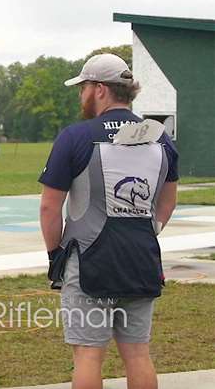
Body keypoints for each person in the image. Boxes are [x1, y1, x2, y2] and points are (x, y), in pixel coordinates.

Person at [40, 54, 178, 389]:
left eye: (83, 87)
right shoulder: (161, 138)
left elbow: (49, 207)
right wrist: (149, 229)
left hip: (88, 260)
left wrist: (54, 254)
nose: (81, 95)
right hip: (141, 258)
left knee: (88, 355)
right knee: (138, 354)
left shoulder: (74, 137)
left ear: (100, 90)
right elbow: (168, 201)